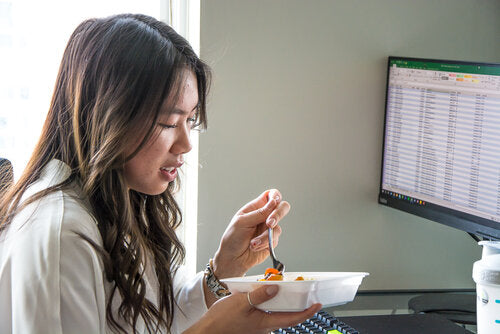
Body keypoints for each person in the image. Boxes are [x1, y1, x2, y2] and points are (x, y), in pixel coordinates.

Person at [0, 14, 321, 334]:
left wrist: (224, 268)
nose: (185, 145)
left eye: (190, 121)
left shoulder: (125, 198)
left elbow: (160, 317)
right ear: (108, 116)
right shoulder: (61, 237)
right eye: (169, 123)